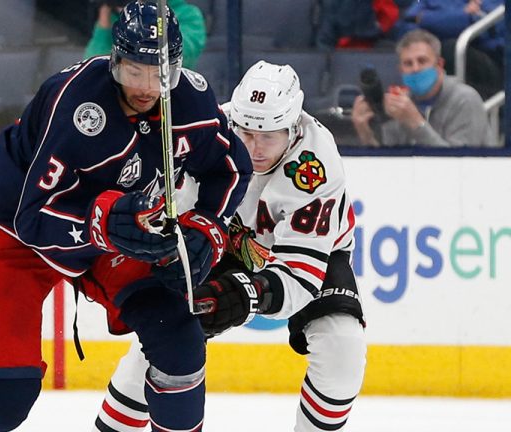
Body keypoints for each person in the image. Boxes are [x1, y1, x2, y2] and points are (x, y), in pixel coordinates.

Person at [0, 2, 251, 431]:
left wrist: (208, 226)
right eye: (134, 71)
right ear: (114, 61)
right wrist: (103, 224)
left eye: (161, 73)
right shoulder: (74, 104)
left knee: (180, 340)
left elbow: (232, 167)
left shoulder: (192, 103)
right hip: (11, 235)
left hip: (119, 231)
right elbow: (32, 219)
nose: (147, 87)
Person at [91, 61, 367, 432]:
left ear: (293, 125)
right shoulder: (207, 130)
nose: (253, 146)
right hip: (219, 241)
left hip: (300, 254)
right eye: (246, 131)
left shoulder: (315, 163)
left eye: (268, 135)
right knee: (164, 337)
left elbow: (301, 278)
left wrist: (248, 294)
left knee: (342, 348)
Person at [351, 29, 496, 147]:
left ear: (439, 65)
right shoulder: (401, 103)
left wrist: (415, 122)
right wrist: (365, 133)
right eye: (408, 63)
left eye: (422, 61)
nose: (415, 68)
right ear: (400, 70)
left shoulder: (465, 99)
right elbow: (390, 166)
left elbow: (459, 168)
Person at [393, 0, 505, 100]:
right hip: (441, 58)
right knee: (423, 54)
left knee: (450, 49)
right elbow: (408, 26)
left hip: (491, 62)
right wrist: (463, 16)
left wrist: (425, 19)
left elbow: (487, 28)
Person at [83, 0, 206, 69]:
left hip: (169, 94)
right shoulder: (115, 19)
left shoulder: (188, 14)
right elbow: (93, 63)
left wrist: (143, 19)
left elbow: (181, 55)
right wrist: (105, 12)